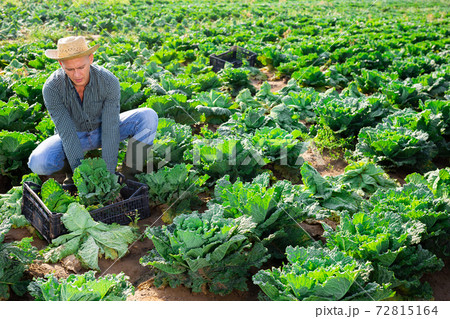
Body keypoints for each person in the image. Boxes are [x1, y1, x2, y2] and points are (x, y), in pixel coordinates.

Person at [28, 36, 158, 182]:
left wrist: (109, 176)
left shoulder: (108, 81)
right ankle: (71, 174)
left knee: (148, 116)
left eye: (81, 67)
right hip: (75, 135)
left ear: (90, 58)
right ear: (60, 64)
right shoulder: (52, 88)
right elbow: (67, 134)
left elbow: (110, 129)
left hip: (103, 130)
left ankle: (128, 176)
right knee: (38, 161)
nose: (77, 75)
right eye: (70, 69)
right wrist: (80, 175)